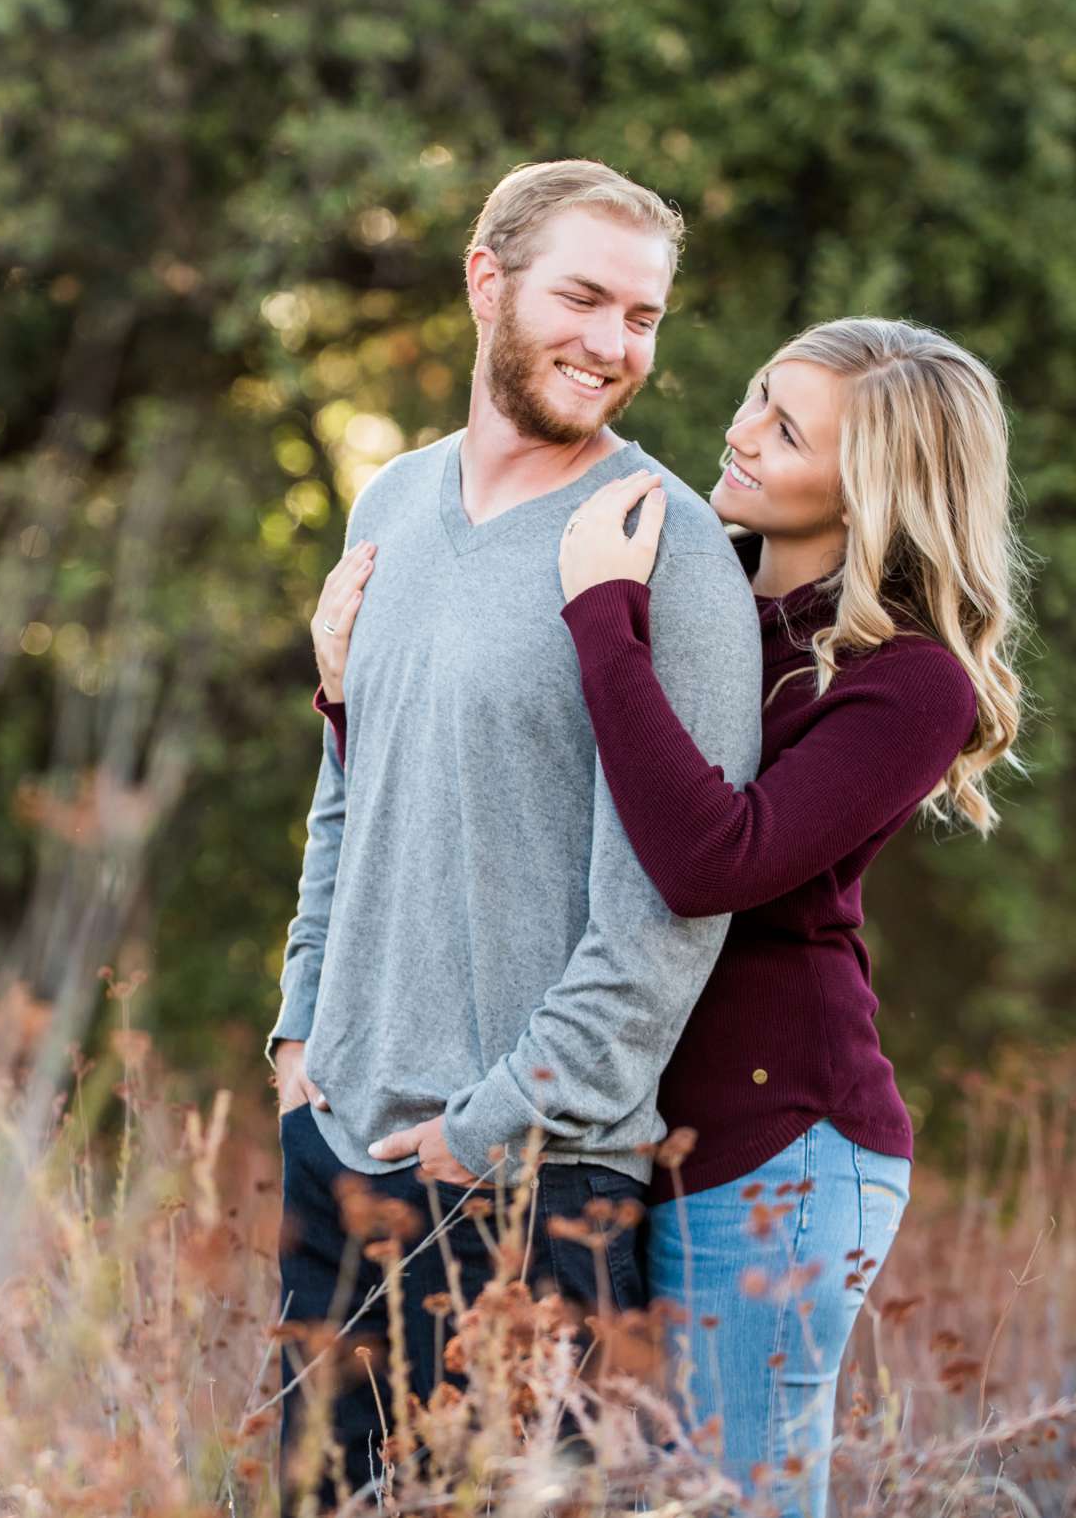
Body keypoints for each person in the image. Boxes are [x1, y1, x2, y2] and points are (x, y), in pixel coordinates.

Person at [310, 316, 1027, 1516]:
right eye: (757, 393)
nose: (740, 433)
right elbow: (525, 801)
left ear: (872, 488)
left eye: (787, 431)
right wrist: (346, 697)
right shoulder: (709, 595)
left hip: (774, 1154)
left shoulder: (908, 681)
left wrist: (601, 616)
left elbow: (708, 861)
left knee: (729, 1499)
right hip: (612, 1125)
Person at [269, 158, 763, 1500]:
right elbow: (348, 787)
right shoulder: (390, 504)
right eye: (585, 298)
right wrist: (299, 1037)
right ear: (487, 281)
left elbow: (673, 909)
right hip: (340, 1149)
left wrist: (485, 1127)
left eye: (644, 316)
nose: (613, 344)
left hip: (534, 1189)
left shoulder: (667, 548)